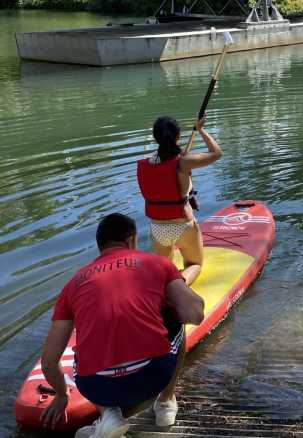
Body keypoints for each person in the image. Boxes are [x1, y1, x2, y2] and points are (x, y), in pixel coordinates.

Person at [39, 213, 205, 438]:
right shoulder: (157, 263)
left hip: (97, 387)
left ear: (101, 247)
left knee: (82, 349)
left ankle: (109, 415)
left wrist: (61, 395)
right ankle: (165, 402)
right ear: (131, 241)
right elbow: (194, 314)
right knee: (177, 320)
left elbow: (49, 362)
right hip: (152, 377)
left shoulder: (72, 285)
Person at [137, 115, 222, 286]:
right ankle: (178, 287)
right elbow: (216, 153)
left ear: (155, 138)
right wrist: (201, 130)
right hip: (183, 226)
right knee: (194, 264)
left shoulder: (145, 163)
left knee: (165, 270)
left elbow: (163, 159)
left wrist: (178, 153)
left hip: (156, 228)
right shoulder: (183, 163)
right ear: (177, 136)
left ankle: (165, 286)